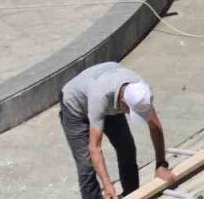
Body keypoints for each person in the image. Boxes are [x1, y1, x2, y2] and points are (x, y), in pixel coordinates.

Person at [60, 62, 174, 199]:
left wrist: (161, 165)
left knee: (127, 147)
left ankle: (132, 194)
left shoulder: (140, 91)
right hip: (75, 109)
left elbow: (155, 127)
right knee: (86, 164)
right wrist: (108, 186)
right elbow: (94, 147)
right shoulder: (100, 97)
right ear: (123, 103)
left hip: (108, 99)